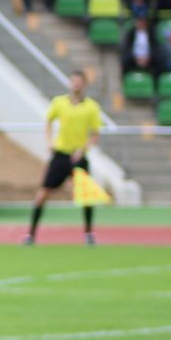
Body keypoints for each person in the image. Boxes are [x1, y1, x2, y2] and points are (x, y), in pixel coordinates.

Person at [28, 69, 103, 247]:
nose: (76, 85)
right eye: (73, 81)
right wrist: (49, 141)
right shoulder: (59, 102)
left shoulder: (91, 107)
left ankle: (89, 234)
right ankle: (31, 234)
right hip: (61, 154)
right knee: (43, 192)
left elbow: (95, 134)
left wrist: (83, 149)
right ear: (70, 83)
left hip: (78, 156)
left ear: (85, 85)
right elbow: (48, 121)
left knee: (86, 197)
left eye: (79, 82)